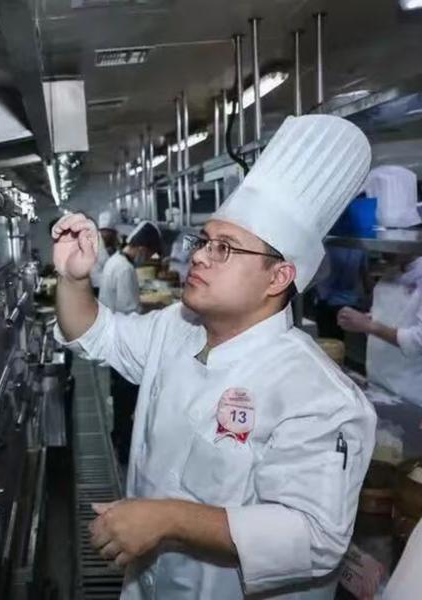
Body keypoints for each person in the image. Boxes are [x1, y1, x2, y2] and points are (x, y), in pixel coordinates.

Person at [50, 114, 376, 599]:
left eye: (225, 249)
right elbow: (97, 333)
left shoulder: (318, 395)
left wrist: (169, 519)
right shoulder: (176, 329)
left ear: (278, 278)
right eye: (204, 242)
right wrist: (74, 278)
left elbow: (316, 538)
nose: (200, 256)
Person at [99, 221, 163, 464]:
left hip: (114, 338)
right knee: (127, 401)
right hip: (124, 342)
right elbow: (130, 312)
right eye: (148, 253)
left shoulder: (115, 261)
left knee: (120, 398)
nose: (146, 258)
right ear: (141, 248)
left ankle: (118, 437)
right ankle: (124, 449)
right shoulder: (125, 269)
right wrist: (155, 310)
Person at [338, 254, 422, 406]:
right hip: (379, 380)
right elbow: (391, 316)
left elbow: (417, 340)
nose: (384, 253)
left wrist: (370, 326)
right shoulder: (392, 273)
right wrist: (364, 320)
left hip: (410, 390)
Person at [314, 247, 369, 340]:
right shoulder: (360, 248)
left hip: (326, 301)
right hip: (351, 303)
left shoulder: (327, 246)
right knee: (349, 343)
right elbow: (365, 277)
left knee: (328, 343)